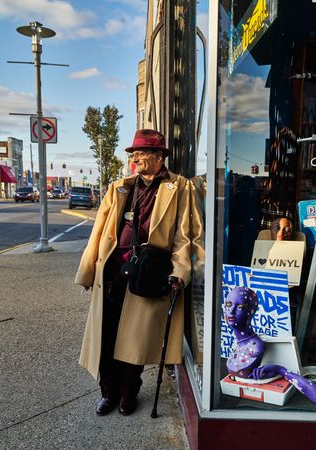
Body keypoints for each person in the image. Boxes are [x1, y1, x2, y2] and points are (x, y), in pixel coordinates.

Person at [75, 129, 193, 416]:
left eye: (141, 153)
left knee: (134, 339)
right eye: (133, 153)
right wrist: (89, 270)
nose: (135, 158)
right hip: (114, 271)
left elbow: (187, 235)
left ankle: (129, 393)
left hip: (148, 274)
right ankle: (108, 393)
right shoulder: (120, 187)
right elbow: (99, 230)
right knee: (106, 335)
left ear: (158, 156)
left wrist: (180, 270)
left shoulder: (180, 188)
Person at [224, 286, 316, 407]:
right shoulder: (238, 346)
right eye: (228, 304)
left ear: (251, 311)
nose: (231, 311)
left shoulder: (255, 347)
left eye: (240, 306)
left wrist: (282, 371)